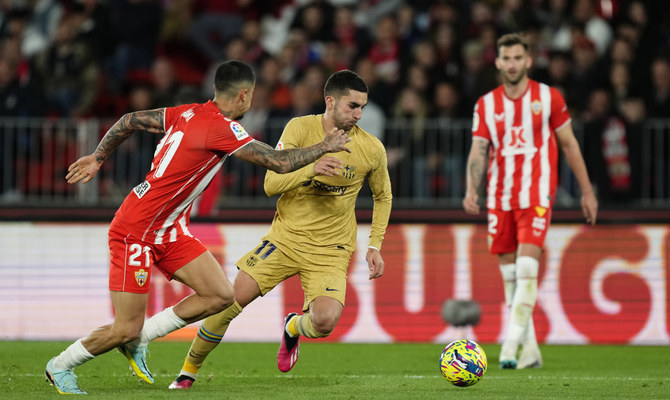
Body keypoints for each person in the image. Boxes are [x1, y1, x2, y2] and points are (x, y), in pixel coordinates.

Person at [44, 60, 352, 395]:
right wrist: (324, 146)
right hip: (136, 229)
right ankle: (60, 366)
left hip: (169, 228)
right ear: (244, 95)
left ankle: (138, 340)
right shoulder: (222, 128)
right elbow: (279, 163)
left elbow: (128, 120)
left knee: (221, 295)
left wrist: (98, 157)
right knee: (124, 328)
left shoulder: (186, 112)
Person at [168, 70, 393, 389]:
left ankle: (293, 327)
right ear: (330, 101)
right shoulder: (299, 129)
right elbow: (271, 184)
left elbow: (384, 196)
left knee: (325, 322)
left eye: (362, 107)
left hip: (331, 250)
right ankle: (187, 373)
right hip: (285, 240)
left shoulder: (371, 149)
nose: (358, 114)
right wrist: (310, 170)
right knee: (228, 301)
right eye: (351, 106)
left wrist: (375, 245)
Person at [462, 33, 598, 370]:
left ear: (528, 61)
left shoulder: (548, 97)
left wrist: (587, 190)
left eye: (518, 58)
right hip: (499, 197)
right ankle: (531, 349)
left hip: (536, 194)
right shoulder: (486, 104)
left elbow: (569, 145)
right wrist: (471, 188)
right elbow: (479, 150)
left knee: (526, 268)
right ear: (497, 62)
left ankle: (510, 343)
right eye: (506, 58)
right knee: (510, 276)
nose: (512, 64)